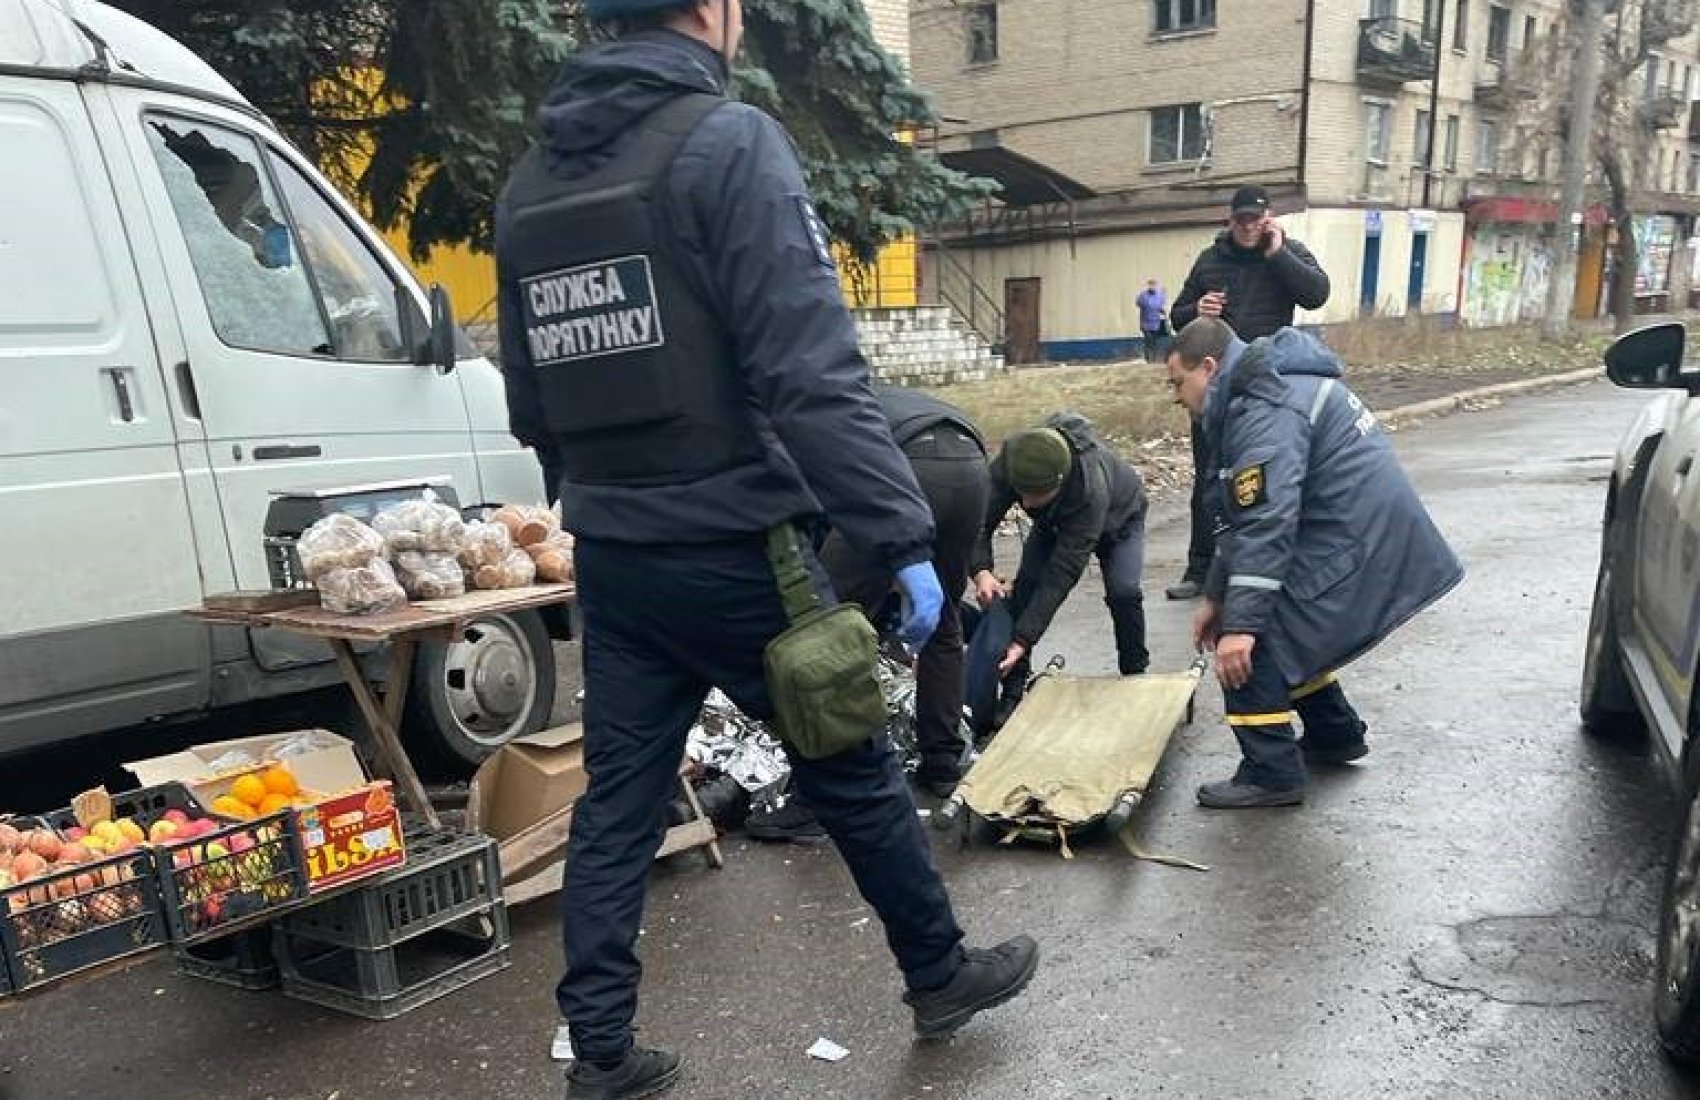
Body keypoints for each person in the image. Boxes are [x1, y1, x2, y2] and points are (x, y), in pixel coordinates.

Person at [494, 0, 1038, 1095]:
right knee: (849, 765)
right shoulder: (726, 144)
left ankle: (599, 1052)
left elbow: (530, 400)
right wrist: (897, 536)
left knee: (617, 803)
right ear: (712, 12)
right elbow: (813, 373)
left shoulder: (527, 189)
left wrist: (596, 499)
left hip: (616, 552)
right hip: (740, 544)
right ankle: (938, 973)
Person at [1164, 317, 1463, 809]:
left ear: (1209, 368)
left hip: (1358, 544)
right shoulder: (1264, 388)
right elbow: (1243, 518)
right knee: (1261, 612)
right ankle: (1334, 734)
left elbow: (1265, 521)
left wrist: (1238, 624)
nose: (1176, 397)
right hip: (1364, 535)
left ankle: (1271, 772)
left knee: (1252, 639)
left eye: (1178, 382)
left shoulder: (1264, 406)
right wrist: (1217, 596)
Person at [747, 384, 990, 842]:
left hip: (908, 469)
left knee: (824, 636)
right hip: (970, 464)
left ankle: (814, 802)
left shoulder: (796, 410)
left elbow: (803, 509)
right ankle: (943, 762)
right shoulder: (860, 392)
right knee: (943, 622)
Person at [1164, 185, 1330, 602]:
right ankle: (1200, 568)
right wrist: (1196, 310)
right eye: (1241, 220)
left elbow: (1316, 294)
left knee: (1272, 475)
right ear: (1230, 220)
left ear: (1268, 219)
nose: (1249, 227)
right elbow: (1176, 316)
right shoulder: (1211, 259)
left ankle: (1273, 563)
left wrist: (1278, 254)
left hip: (1270, 383)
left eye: (1256, 220)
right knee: (1210, 477)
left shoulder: (1287, 253)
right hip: (1216, 382)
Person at [970, 413, 1149, 714]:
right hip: (1053, 521)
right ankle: (1013, 690)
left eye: (1035, 495)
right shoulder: (1016, 461)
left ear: (1060, 482)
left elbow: (1059, 577)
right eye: (1021, 493)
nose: (1025, 504)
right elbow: (976, 522)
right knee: (1026, 587)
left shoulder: (1090, 492)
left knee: (1123, 592)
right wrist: (981, 570)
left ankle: (1135, 675)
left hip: (1120, 520)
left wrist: (1024, 639)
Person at [1136, 277, 1169, 363]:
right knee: (1148, 341)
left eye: (1154, 284)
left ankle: (1153, 359)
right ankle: (1148, 359)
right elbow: (1139, 304)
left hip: (1156, 323)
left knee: (1154, 342)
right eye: (1151, 284)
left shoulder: (1159, 296)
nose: (1152, 286)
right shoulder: (1143, 295)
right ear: (1148, 285)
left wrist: (1163, 312)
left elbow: (1160, 307)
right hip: (1145, 323)